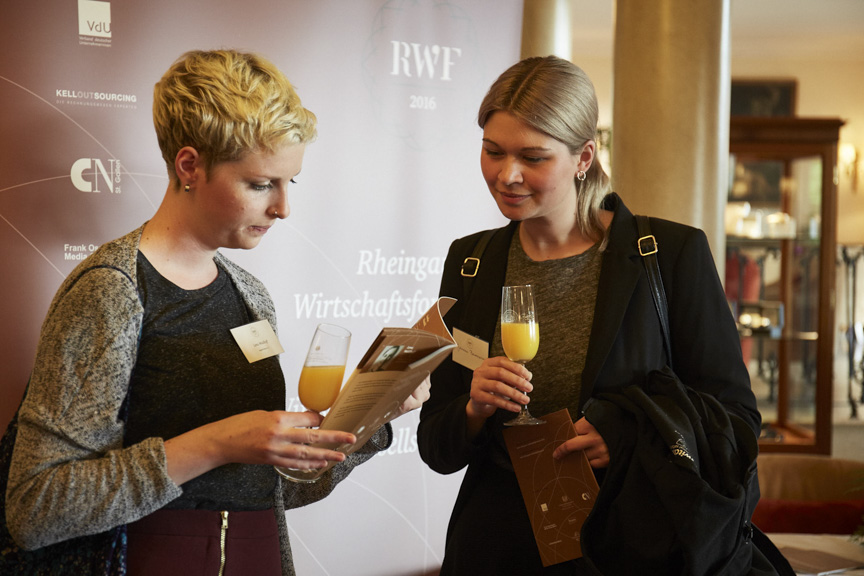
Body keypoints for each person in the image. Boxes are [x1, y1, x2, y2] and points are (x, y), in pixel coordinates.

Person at [5, 49, 429, 575]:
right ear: (190, 166)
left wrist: (370, 420)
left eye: (290, 182)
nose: (283, 208)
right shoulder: (111, 291)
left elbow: (272, 491)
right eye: (260, 184)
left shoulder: (251, 294)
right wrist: (217, 443)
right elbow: (36, 508)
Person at [417, 55, 774, 575]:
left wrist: (626, 435)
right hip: (495, 546)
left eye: (533, 157)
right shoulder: (470, 262)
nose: (506, 175)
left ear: (584, 156)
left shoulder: (669, 254)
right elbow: (436, 447)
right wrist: (473, 409)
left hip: (627, 547)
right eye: (492, 151)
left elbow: (736, 420)